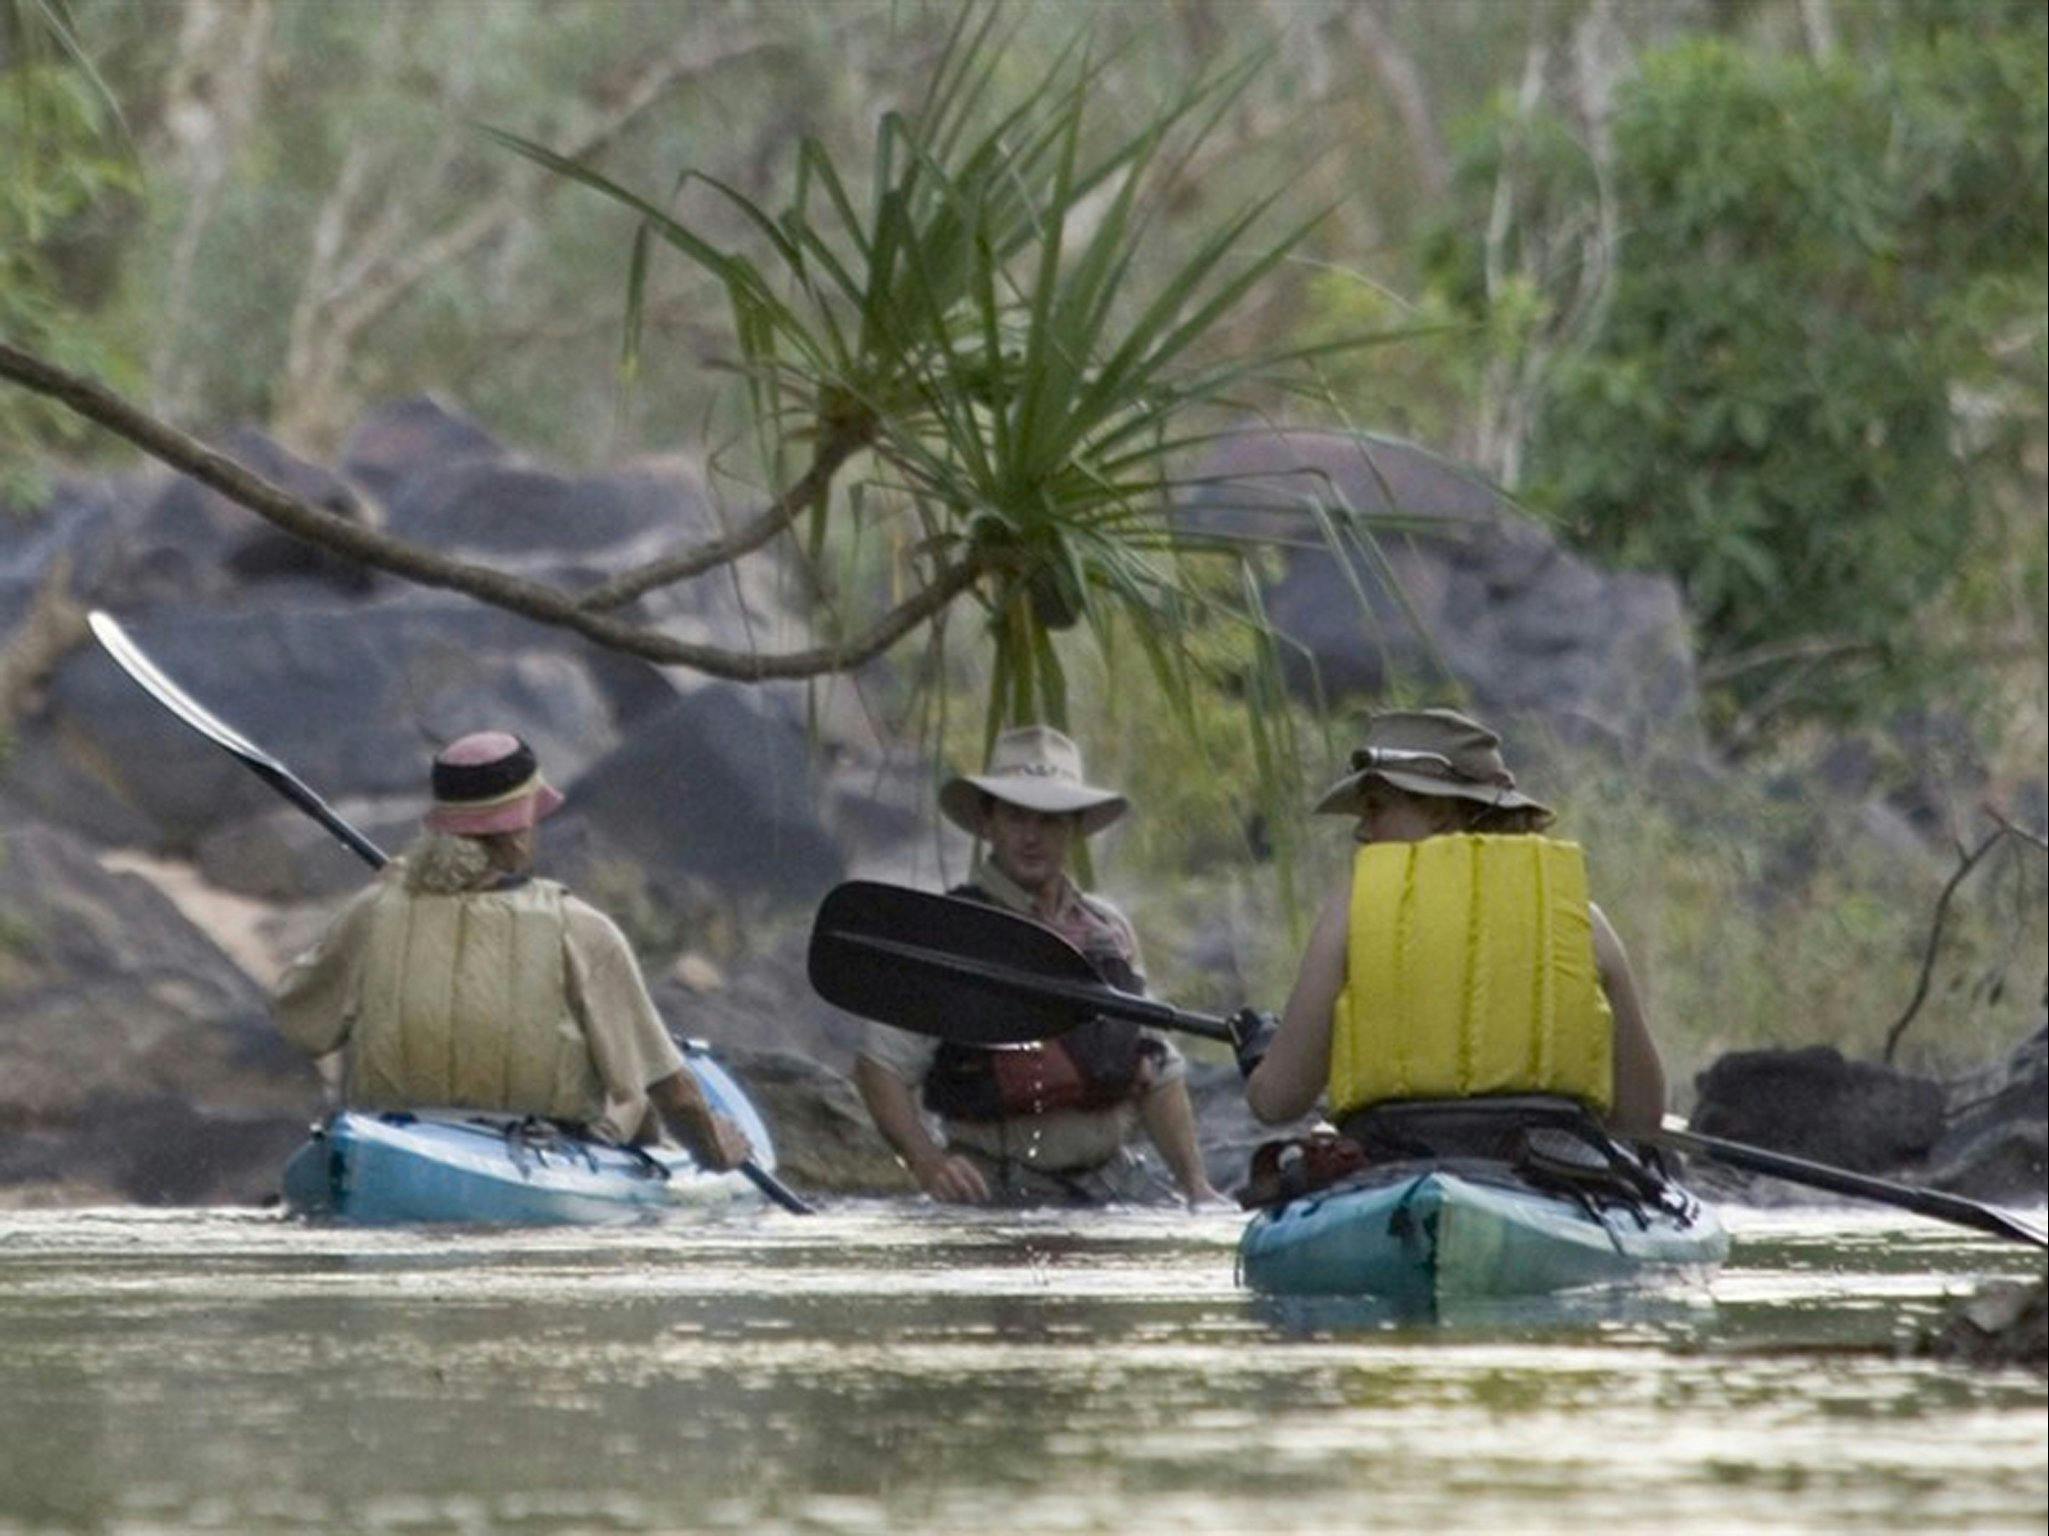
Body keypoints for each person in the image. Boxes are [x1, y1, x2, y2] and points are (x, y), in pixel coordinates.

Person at [273, 730, 751, 1171]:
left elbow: (298, 1020)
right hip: (534, 1153)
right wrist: (714, 1148)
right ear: (519, 830)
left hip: (388, 1145)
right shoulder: (580, 929)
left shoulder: (373, 911)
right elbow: (669, 1086)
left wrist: (385, 905)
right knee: (633, 1115)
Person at [1239, 708, 1666, 1150]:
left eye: (1376, 807)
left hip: (1395, 1166)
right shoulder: (1580, 919)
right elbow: (1640, 1118)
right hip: (1545, 1172)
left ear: (1441, 810)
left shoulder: (1352, 910)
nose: (1363, 831)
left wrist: (1259, 1057)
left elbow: (1278, 1101)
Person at [853, 725, 1221, 1206]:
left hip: (1113, 1182)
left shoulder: (1108, 930)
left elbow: (1157, 1067)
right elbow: (879, 1067)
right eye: (1017, 817)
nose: (1032, 836)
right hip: (998, 1184)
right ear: (988, 823)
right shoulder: (951, 931)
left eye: (1049, 820)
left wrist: (1197, 1187)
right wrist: (928, 1162)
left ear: (1073, 829)